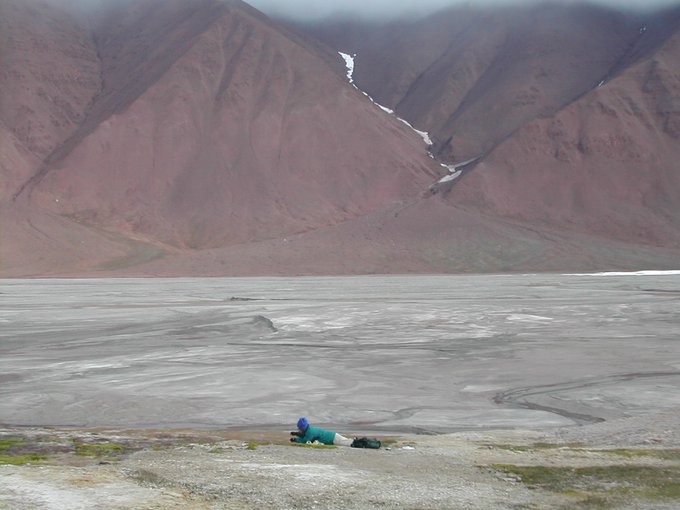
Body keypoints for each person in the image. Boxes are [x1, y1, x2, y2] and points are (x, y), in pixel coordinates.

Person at [290, 417, 380, 448]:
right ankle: (367, 442)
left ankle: (370, 443)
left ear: (302, 427)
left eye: (299, 428)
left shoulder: (310, 432)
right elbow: (304, 435)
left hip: (333, 439)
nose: (299, 430)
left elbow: (306, 440)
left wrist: (295, 440)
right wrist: (296, 434)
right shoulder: (310, 429)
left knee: (351, 444)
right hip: (333, 436)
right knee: (349, 442)